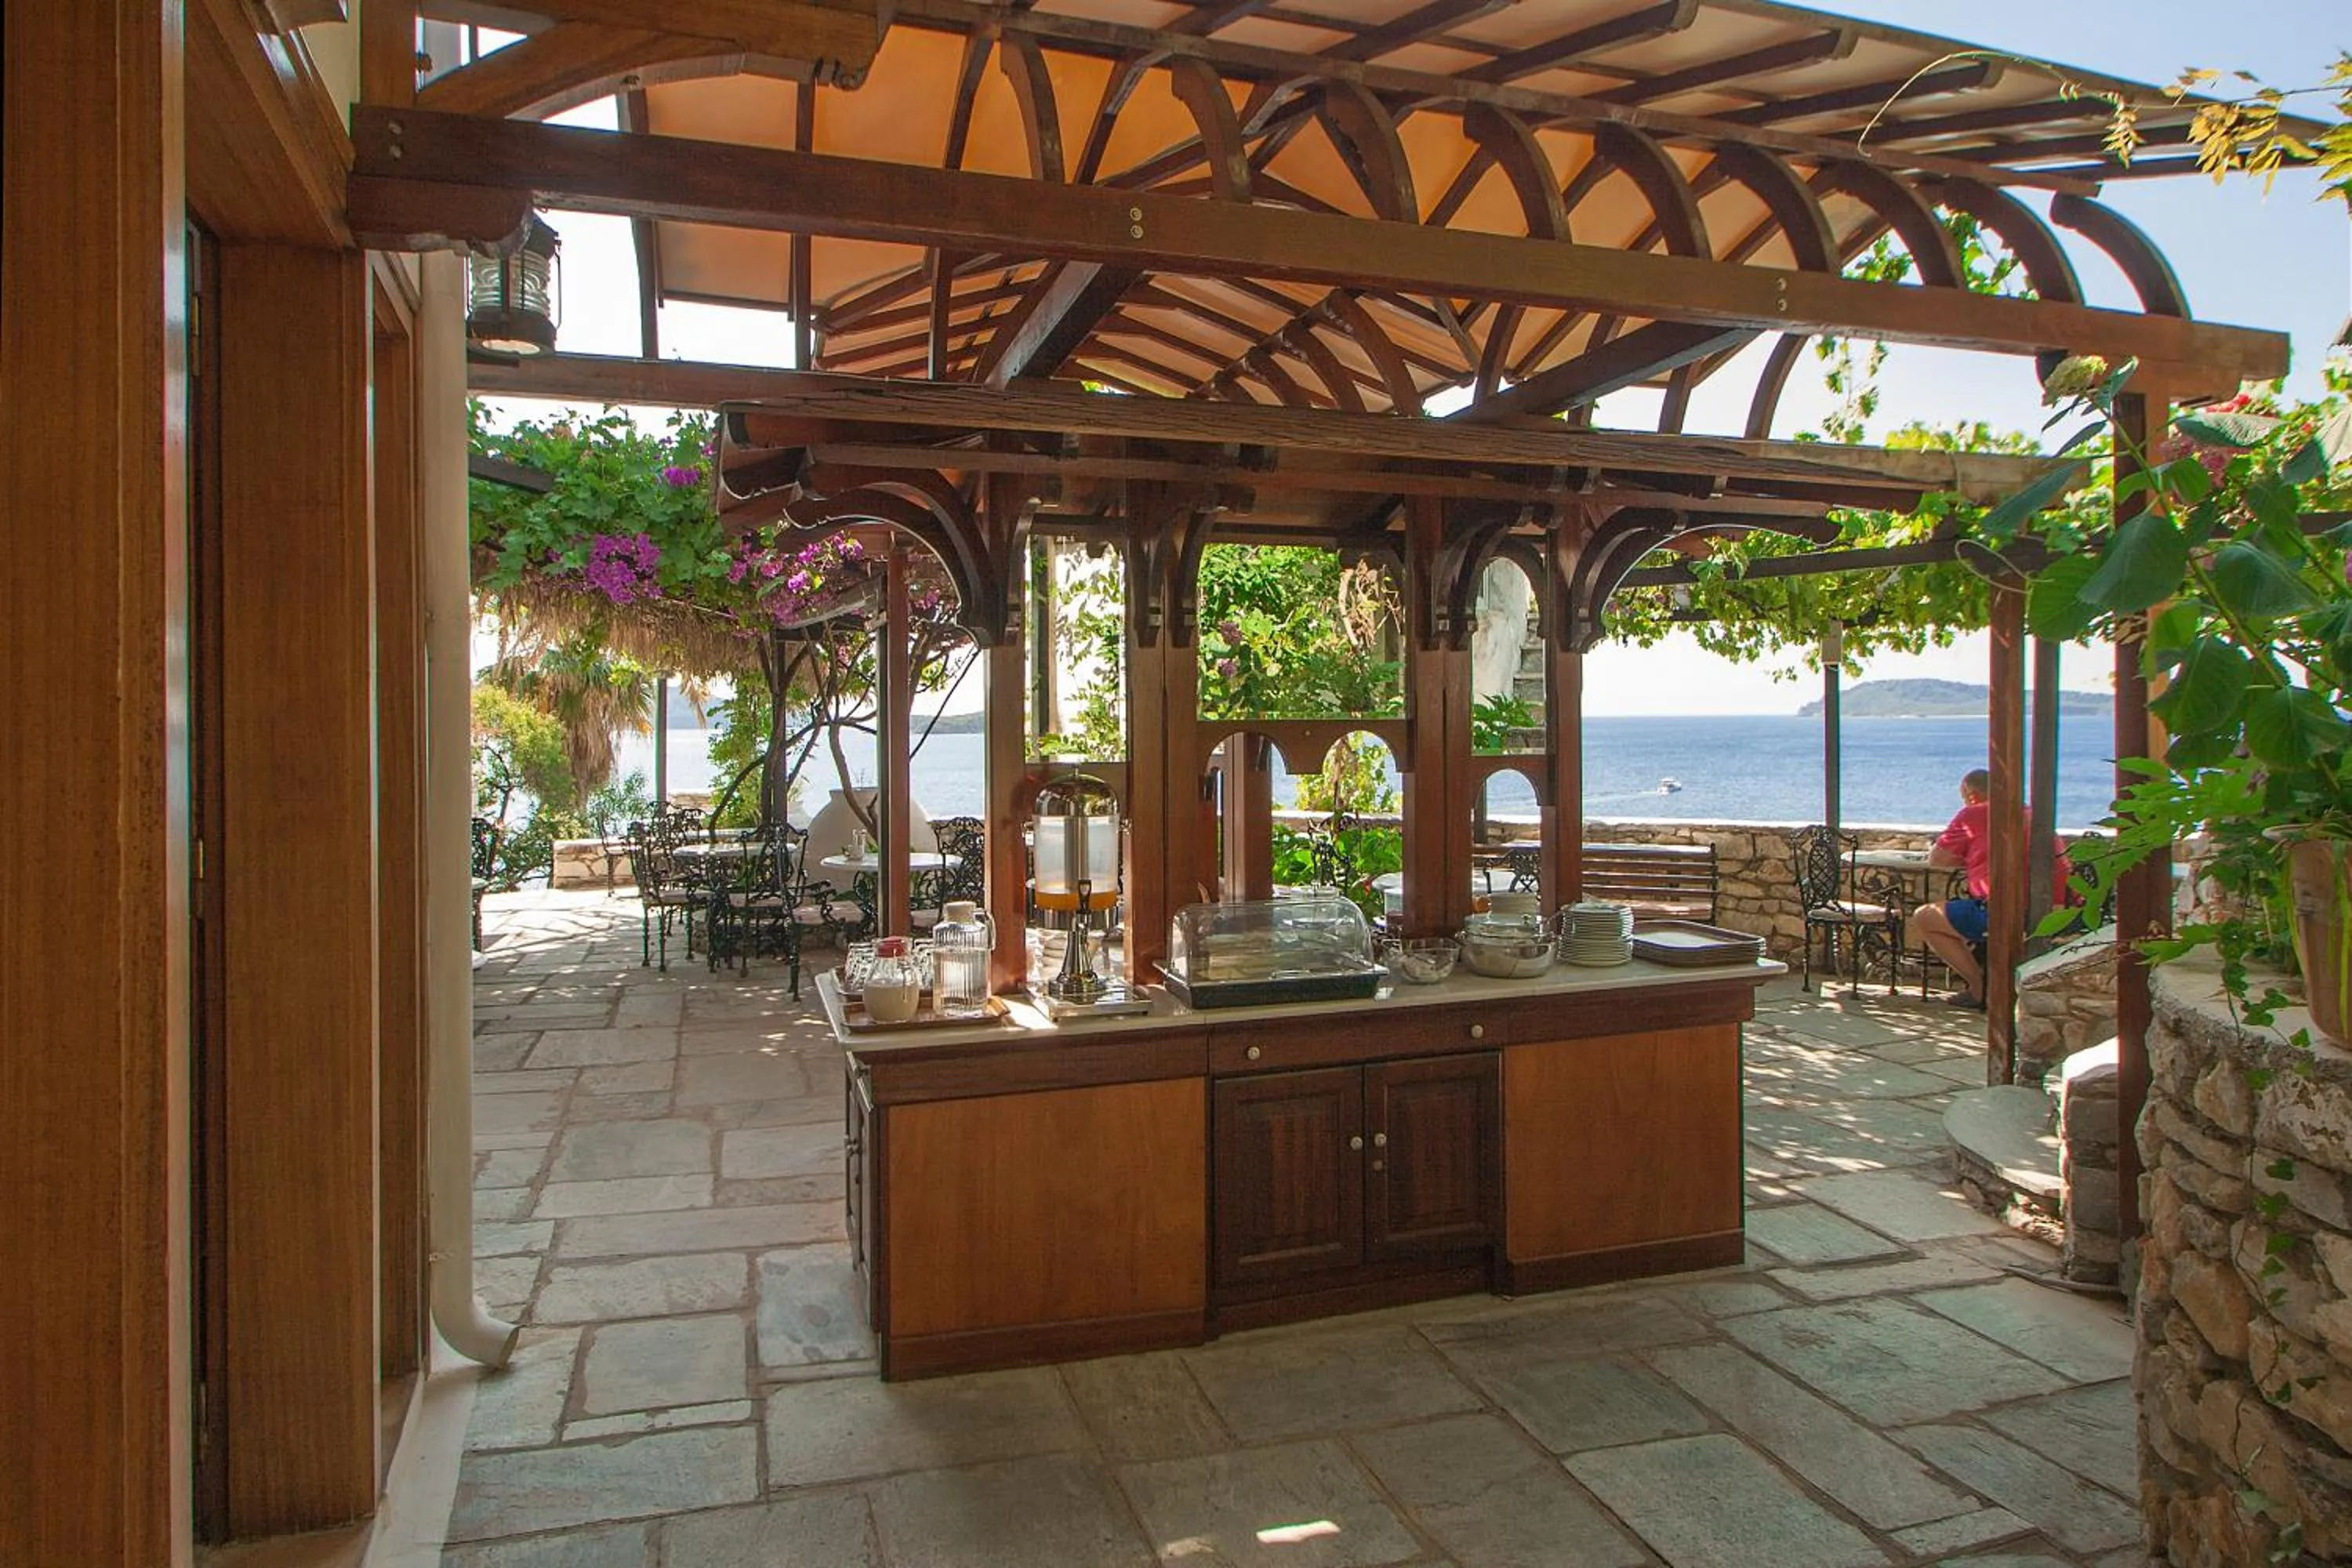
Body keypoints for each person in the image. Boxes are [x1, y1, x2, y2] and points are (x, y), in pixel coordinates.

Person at [1907, 768, 2070, 1010]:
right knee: (1968, 915)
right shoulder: (2030, 812)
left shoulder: (1975, 813)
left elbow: (1938, 860)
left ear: (1972, 796)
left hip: (2008, 911)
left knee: (1926, 917)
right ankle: (1992, 981)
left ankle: (1979, 989)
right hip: (2059, 908)